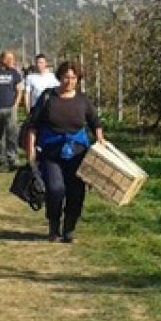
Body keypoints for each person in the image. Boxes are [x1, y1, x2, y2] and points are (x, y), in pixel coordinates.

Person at [25, 61, 105, 242]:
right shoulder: (48, 97)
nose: (69, 81)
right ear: (60, 77)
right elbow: (32, 126)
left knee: (76, 192)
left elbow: (95, 123)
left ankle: (69, 230)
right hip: (51, 153)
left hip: (77, 154)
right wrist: (31, 154)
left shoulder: (83, 100)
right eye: (66, 77)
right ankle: (54, 228)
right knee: (55, 189)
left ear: (78, 79)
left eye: (73, 78)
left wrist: (101, 143)